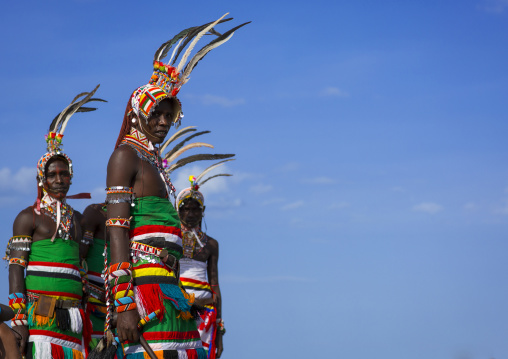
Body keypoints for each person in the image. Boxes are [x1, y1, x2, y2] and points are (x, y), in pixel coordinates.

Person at [102, 14, 248, 358]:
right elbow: (117, 231)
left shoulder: (153, 163)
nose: (164, 122)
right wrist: (124, 303)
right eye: (157, 114)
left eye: (169, 116)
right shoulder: (125, 157)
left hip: (170, 289)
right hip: (146, 290)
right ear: (138, 114)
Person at [5, 87, 103, 358]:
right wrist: (19, 322)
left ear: (71, 178)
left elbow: (83, 266)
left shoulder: (79, 220)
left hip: (74, 319)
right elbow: (16, 273)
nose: (59, 179)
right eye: (52, 174)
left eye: (64, 174)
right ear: (42, 180)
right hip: (41, 319)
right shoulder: (28, 217)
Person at [176, 175, 229, 359]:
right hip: (177, 310)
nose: (190, 214)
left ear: (203, 211)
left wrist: (220, 331)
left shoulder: (211, 244)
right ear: (178, 211)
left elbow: (215, 285)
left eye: (195, 209)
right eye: (185, 209)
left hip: (206, 314)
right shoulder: (171, 239)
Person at [80, 203, 108, 351]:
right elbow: (80, 256)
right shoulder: (96, 212)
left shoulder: (135, 217)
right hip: (94, 298)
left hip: (120, 297)